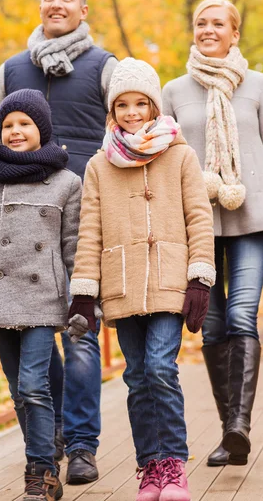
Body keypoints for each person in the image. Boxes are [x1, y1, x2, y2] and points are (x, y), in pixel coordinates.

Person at [0, 0, 118, 483]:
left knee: (79, 334)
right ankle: (49, 431)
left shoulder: (104, 65)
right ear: (41, 7)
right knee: (37, 342)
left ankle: (80, 445)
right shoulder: (11, 69)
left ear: (83, 8)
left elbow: (123, 131)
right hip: (19, 212)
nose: (57, 4)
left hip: (83, 213)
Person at [68, 58, 216, 501]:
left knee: (159, 368)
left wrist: (200, 279)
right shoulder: (98, 165)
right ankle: (150, 468)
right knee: (136, 376)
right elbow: (89, 230)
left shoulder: (181, 155)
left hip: (171, 280)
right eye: (123, 105)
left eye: (141, 104)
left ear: (154, 107)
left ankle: (173, 464)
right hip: (122, 284)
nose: (133, 112)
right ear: (112, 111)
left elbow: (199, 218)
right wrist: (83, 294)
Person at [162, 0, 263, 467]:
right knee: (211, 324)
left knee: (241, 315)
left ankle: (240, 424)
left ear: (234, 33)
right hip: (195, 222)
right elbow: (162, 160)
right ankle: (228, 432)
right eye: (201, 22)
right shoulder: (174, 90)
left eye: (219, 23)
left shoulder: (260, 85)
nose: (209, 29)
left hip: (251, 217)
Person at [0, 89, 82, 501]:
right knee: (17, 390)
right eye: (8, 125)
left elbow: (74, 247)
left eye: (24, 123)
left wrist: (83, 301)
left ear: (41, 129)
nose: (15, 131)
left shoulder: (67, 183)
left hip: (44, 301)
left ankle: (41, 473)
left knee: (32, 386)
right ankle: (46, 451)